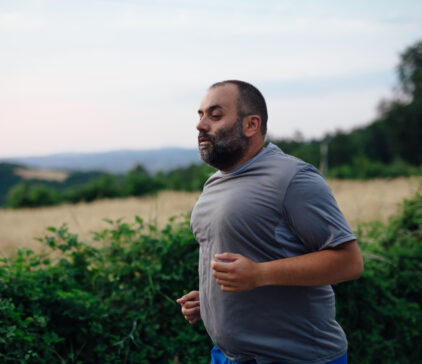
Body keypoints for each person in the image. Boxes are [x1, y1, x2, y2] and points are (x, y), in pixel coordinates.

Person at [176, 80, 363, 364]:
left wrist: (260, 274)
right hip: (227, 356)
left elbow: (349, 262)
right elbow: (250, 258)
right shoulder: (214, 183)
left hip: (297, 357)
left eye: (215, 115)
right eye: (200, 115)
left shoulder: (293, 178)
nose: (201, 126)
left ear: (251, 125)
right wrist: (210, 299)